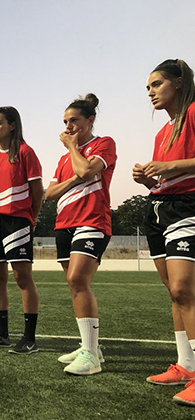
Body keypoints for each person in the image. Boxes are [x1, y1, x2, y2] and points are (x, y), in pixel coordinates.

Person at [133, 58, 195, 406]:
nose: (151, 92)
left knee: (186, 288)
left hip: (188, 206)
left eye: (156, 84)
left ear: (180, 82)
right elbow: (165, 178)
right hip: (159, 209)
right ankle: (186, 365)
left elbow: (178, 168)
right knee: (174, 291)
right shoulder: (162, 131)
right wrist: (149, 180)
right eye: (148, 88)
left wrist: (169, 165)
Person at [44, 93, 116, 375]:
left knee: (78, 279)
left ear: (90, 120)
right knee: (74, 285)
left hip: (93, 221)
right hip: (64, 224)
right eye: (65, 122)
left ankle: (91, 356)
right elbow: (49, 193)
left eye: (74, 120)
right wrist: (74, 175)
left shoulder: (104, 144)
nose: (69, 126)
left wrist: (74, 149)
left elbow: (87, 170)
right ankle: (91, 346)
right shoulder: (63, 160)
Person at [0, 106, 44, 354]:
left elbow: (37, 191)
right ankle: (2, 334)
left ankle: (29, 338)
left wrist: (32, 217)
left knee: (22, 277)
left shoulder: (26, 152)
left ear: (13, 125)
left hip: (17, 220)